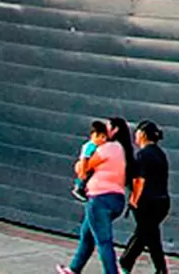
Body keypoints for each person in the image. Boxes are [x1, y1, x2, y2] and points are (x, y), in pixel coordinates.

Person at [57, 116, 136, 274]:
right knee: (87, 235)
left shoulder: (106, 148)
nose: (104, 130)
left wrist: (86, 153)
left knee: (103, 241)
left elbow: (81, 170)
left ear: (115, 130)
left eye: (108, 127)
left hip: (100, 199)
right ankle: (74, 269)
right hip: (116, 199)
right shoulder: (122, 149)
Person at [120, 120, 170, 273]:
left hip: (147, 202)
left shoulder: (143, 155)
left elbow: (139, 180)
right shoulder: (160, 153)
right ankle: (157, 268)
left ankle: (126, 262)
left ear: (142, 134)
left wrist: (133, 200)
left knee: (146, 234)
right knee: (149, 234)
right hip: (162, 202)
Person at [71, 120, 109, 202]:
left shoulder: (96, 146)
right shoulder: (91, 146)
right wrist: (83, 171)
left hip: (90, 165)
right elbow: (84, 158)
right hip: (85, 165)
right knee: (84, 178)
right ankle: (78, 188)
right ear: (94, 136)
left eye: (105, 137)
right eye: (101, 137)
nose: (104, 140)